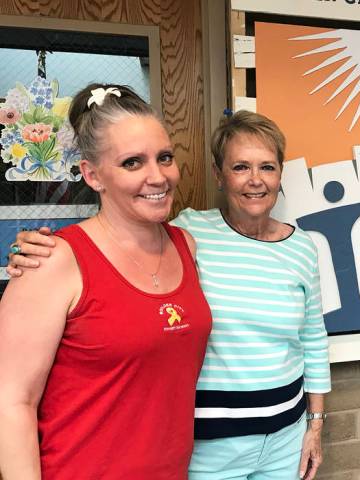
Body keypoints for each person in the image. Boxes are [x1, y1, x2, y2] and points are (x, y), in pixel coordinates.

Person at [8, 110, 332, 480]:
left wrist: (315, 424)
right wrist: (39, 248)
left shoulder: (299, 247)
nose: (255, 180)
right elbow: (120, 233)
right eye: (240, 167)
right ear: (219, 176)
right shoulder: (189, 233)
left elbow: (313, 337)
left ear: (280, 174)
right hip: (208, 444)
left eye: (267, 167)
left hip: (283, 436)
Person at [0, 84, 212, 479]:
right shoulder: (52, 262)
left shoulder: (186, 245)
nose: (158, 176)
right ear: (92, 175)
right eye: (132, 163)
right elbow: (12, 402)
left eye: (164, 158)